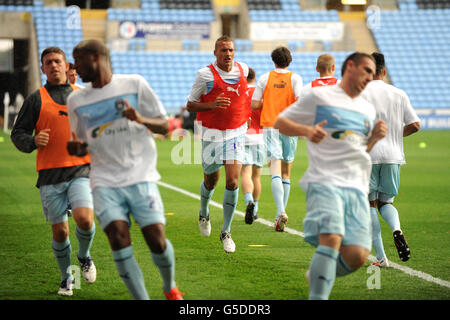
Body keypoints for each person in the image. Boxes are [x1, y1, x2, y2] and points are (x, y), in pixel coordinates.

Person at [66, 39, 183, 300]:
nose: (74, 66)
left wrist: (140, 119)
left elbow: (165, 126)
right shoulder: (76, 100)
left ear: (97, 57)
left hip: (140, 175)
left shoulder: (134, 84)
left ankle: (170, 287)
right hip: (104, 180)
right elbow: (83, 143)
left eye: (79, 59)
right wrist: (77, 149)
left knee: (156, 239)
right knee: (118, 237)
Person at [274, 52, 387, 300]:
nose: (371, 76)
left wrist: (374, 139)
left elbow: (360, 150)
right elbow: (281, 122)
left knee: (358, 255)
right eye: (366, 70)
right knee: (332, 239)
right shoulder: (318, 96)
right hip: (325, 180)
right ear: (349, 66)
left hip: (357, 186)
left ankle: (316, 275)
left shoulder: (367, 108)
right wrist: (306, 129)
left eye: (373, 72)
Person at [10, 46, 96, 296]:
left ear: (65, 66)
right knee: (60, 231)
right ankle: (66, 277)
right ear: (43, 68)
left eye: (58, 61)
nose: (54, 65)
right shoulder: (36, 99)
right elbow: (18, 133)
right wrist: (32, 142)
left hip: (80, 170)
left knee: (85, 219)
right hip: (49, 175)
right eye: (49, 62)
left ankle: (84, 255)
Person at [186, 35, 249, 253]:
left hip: (235, 134)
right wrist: (212, 105)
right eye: (223, 50)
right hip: (211, 135)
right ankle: (204, 212)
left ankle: (226, 231)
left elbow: (244, 96)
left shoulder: (244, 70)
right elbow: (190, 105)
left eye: (231, 50)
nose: (228, 54)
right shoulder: (205, 75)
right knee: (211, 181)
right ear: (215, 53)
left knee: (232, 181)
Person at [361, 52, 420, 267]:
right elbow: (415, 125)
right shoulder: (399, 93)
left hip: (368, 155)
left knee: (369, 203)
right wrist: (395, 136)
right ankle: (397, 229)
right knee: (386, 202)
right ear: (384, 71)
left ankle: (381, 258)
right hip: (394, 156)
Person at [251, 46, 303, 232]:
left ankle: (280, 211)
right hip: (289, 125)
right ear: (289, 61)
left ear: (273, 61)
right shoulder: (296, 78)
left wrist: (270, 100)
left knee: (274, 168)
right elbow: (300, 102)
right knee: (286, 171)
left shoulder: (265, 78)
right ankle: (280, 213)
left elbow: (255, 104)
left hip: (271, 125)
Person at [240, 67, 265, 224]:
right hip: (260, 136)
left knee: (245, 173)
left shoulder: (239, 93)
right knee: (257, 175)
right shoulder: (260, 94)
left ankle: (248, 200)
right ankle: (254, 208)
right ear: (254, 78)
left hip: (243, 136)